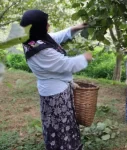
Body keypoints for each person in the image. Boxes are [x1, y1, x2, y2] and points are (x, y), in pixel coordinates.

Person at [20, 10, 92, 150]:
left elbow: (54, 38)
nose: (48, 25)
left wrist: (75, 28)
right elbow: (66, 65)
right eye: (45, 23)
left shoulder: (32, 39)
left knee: (61, 124)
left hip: (55, 89)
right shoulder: (41, 51)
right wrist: (85, 58)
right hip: (56, 94)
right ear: (37, 27)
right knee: (61, 126)